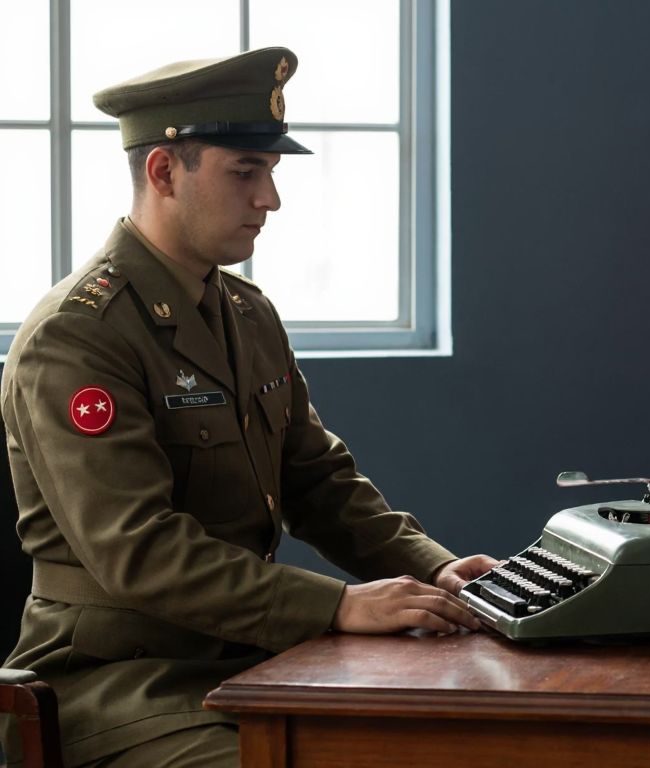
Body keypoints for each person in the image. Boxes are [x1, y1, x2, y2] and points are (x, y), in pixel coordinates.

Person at [0, 47, 497, 767]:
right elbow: (139, 551)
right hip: (117, 686)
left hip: (255, 661)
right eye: (246, 172)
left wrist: (435, 570)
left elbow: (318, 481)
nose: (270, 199)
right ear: (164, 172)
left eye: (270, 174)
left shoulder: (247, 312)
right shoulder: (78, 337)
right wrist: (339, 606)